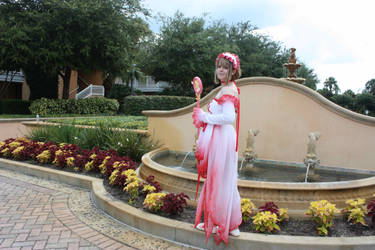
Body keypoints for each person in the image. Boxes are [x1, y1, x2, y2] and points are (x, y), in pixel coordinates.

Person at [192, 52, 242, 245]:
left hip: (222, 139)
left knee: (218, 180)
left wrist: (205, 117)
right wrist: (205, 117)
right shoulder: (227, 88)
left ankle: (216, 222)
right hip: (223, 138)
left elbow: (229, 118)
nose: (220, 69)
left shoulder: (229, 90)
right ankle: (229, 223)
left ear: (232, 70)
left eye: (225, 67)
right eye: (219, 66)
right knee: (226, 180)